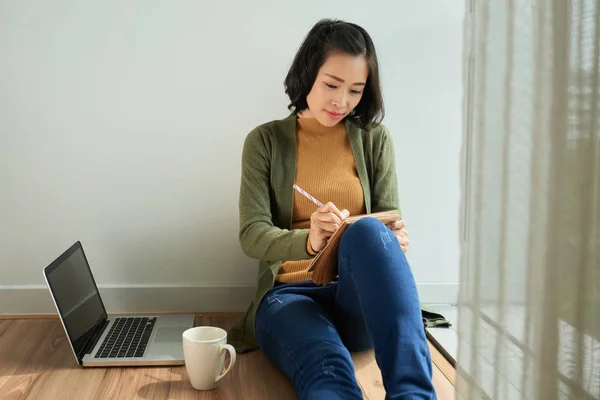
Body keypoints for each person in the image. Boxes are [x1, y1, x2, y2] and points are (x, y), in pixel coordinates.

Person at [229, 18, 437, 400]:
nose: (342, 101)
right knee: (327, 372)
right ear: (308, 73)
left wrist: (394, 240)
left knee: (368, 231)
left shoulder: (374, 139)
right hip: (290, 296)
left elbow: (389, 216)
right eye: (331, 85)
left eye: (356, 90)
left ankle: (414, 394)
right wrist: (311, 240)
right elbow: (251, 234)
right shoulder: (264, 142)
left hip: (358, 299)